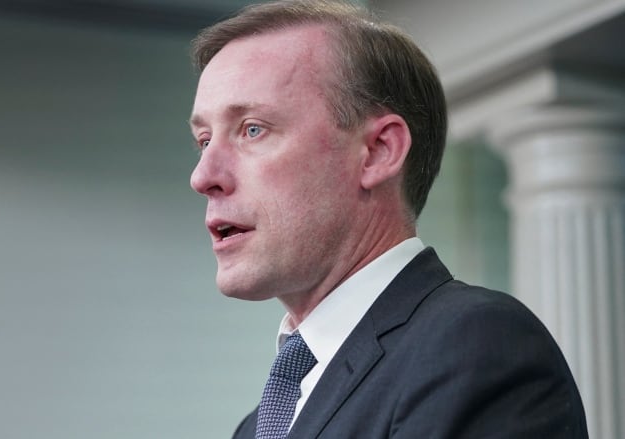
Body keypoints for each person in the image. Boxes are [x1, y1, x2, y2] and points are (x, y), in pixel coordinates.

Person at [187, 0, 588, 437]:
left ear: (378, 152)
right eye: (204, 140)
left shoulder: (476, 346)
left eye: (252, 129)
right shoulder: (258, 426)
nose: (203, 176)